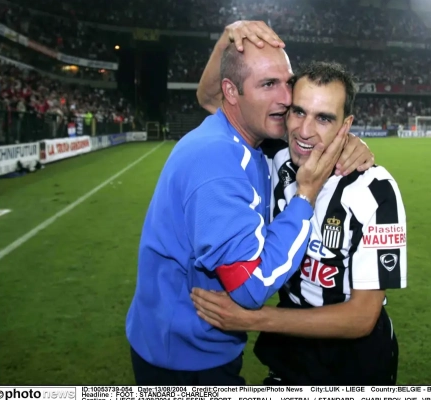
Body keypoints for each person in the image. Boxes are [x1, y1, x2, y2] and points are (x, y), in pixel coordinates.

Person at [125, 21, 374, 386]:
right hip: (182, 358)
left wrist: (349, 142)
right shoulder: (217, 168)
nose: (286, 98)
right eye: (268, 84)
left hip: (197, 343)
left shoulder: (244, 135)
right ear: (232, 92)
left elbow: (209, 97)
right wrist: (306, 195)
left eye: (287, 82)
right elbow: (250, 287)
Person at [192, 60, 407, 385]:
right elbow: (212, 99)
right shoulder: (274, 155)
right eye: (299, 111)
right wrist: (229, 37)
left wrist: (252, 318)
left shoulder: (375, 191)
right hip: (290, 350)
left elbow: (362, 316)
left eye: (324, 118)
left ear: (346, 124)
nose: (305, 131)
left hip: (354, 363)